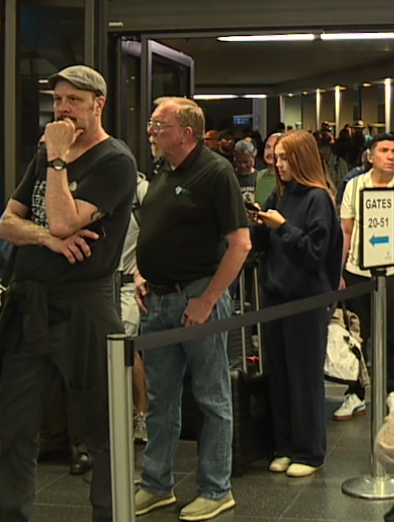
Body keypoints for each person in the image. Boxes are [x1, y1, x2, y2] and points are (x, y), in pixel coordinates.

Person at [0, 65, 136, 522]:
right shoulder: (45, 154)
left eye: (73, 100)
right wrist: (48, 240)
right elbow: (7, 224)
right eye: (57, 100)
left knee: (103, 428)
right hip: (31, 306)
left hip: (85, 307)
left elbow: (64, 219)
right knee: (14, 429)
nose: (62, 109)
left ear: (99, 104)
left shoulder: (115, 161)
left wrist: (57, 160)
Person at [134, 97, 251, 521]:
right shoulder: (164, 171)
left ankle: (217, 489)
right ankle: (156, 484)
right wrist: (142, 274)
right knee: (162, 400)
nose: (151, 130)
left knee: (212, 398)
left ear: (186, 132)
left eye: (158, 124)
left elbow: (241, 245)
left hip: (197, 299)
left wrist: (208, 300)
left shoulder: (216, 173)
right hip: (159, 300)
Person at [249, 131, 343, 478]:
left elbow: (314, 253)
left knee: (304, 378)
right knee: (280, 375)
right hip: (276, 294)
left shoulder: (319, 199)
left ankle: (310, 451)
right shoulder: (280, 193)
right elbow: (267, 244)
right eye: (277, 157)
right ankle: (285, 445)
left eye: (286, 158)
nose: (279, 163)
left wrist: (283, 226)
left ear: (302, 159)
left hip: (306, 299)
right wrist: (261, 223)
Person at [336, 133, 394, 419]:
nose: (391, 156)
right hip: (358, 271)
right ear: (370, 156)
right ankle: (356, 393)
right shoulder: (354, 186)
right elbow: (346, 231)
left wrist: (393, 239)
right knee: (356, 337)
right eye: (384, 151)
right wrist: (338, 271)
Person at [119, 170, 150, 444]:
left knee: (128, 351)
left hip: (129, 284)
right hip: (101, 286)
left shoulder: (140, 193)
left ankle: (141, 415)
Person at [255, 132, 282, 207]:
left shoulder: (289, 180)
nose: (270, 152)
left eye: (274, 148)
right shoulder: (259, 176)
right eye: (267, 147)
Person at [233, 139, 258, 206]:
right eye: (239, 162)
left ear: (254, 156)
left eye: (246, 162)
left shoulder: (260, 178)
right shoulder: (231, 177)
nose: (242, 166)